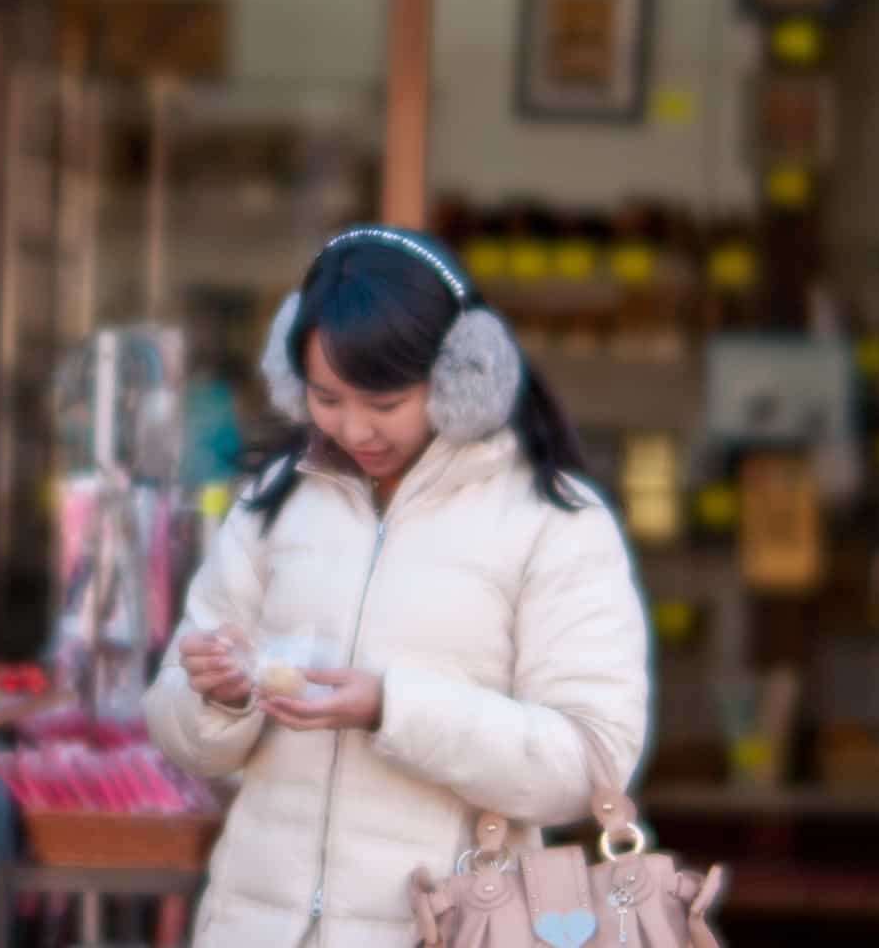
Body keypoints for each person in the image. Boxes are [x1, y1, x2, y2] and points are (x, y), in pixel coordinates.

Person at [142, 226, 651, 948]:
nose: (353, 428)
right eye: (325, 397)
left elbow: (590, 763)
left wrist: (393, 708)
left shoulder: (554, 521)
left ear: (459, 378)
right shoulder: (277, 500)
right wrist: (218, 696)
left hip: (446, 929)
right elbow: (173, 721)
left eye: (384, 403)